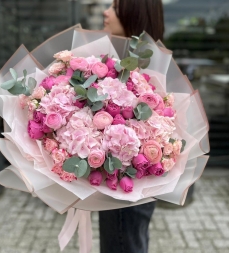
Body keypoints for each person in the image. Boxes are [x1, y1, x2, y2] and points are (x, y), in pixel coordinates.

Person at [99, 1, 164, 253]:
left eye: (114, 7)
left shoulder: (145, 76)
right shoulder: (120, 65)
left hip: (129, 187)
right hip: (119, 185)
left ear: (133, 15)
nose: (106, 12)